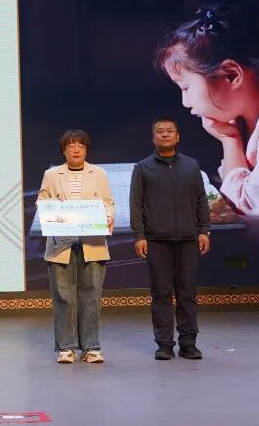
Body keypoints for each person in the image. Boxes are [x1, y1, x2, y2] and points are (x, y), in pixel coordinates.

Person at [154, 4, 259, 220]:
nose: (185, 102)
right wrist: (230, 138)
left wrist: (230, 141)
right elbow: (233, 196)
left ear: (232, 75)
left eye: (185, 88)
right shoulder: (241, 122)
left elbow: (258, 206)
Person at [130, 117, 210, 360]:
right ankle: (164, 344)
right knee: (161, 293)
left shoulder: (191, 166)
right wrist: (139, 236)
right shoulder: (142, 167)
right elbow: (135, 205)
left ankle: (188, 343)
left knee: (187, 293)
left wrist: (204, 230)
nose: (165, 134)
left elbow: (201, 200)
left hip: (188, 240)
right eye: (160, 131)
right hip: (156, 241)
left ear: (178, 136)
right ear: (153, 138)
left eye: (169, 131)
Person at [37, 130, 115, 364]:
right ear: (64, 150)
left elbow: (108, 203)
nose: (76, 149)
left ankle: (91, 347)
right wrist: (53, 205)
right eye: (71, 145)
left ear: (86, 149)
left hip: (92, 242)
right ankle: (65, 347)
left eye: (80, 145)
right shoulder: (52, 174)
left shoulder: (99, 174)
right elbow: (41, 201)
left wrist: (108, 217)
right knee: (63, 297)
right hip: (61, 244)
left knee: (91, 296)